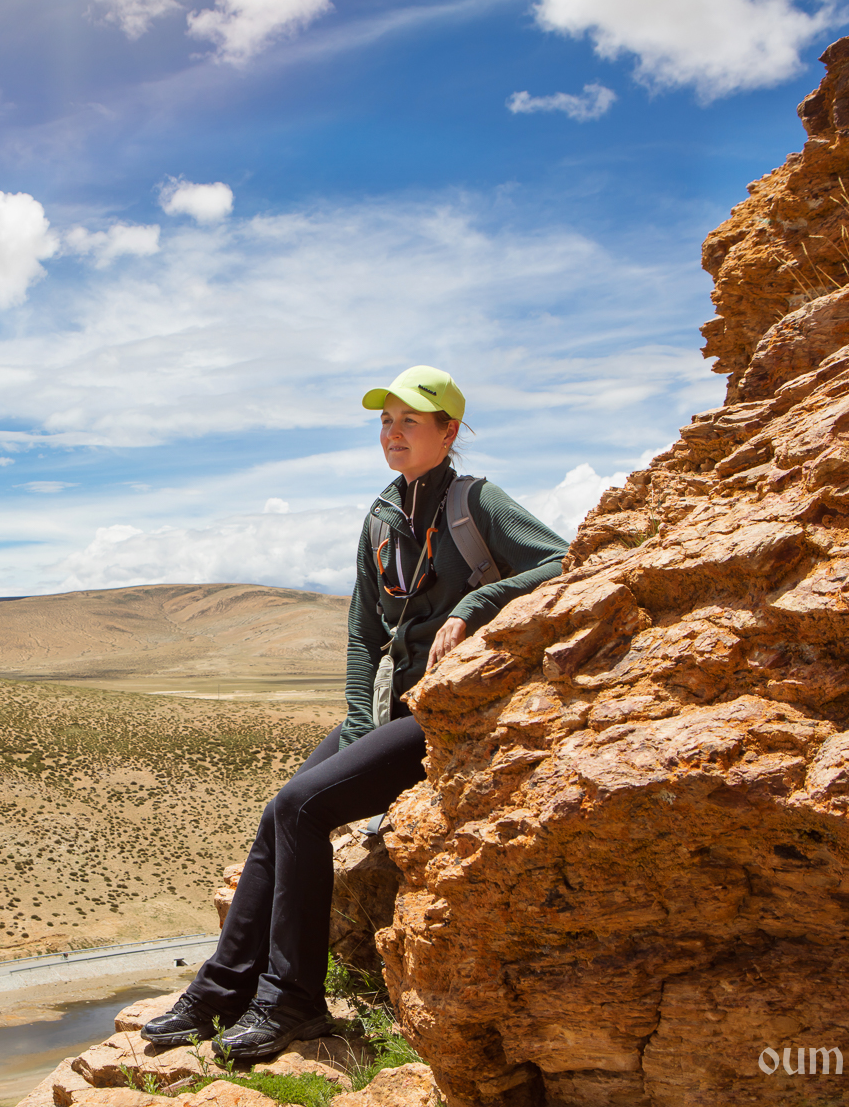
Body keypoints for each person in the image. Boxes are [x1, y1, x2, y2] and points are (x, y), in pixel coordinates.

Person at [140, 364, 568, 1061]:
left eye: (410, 421)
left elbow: (561, 560)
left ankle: (293, 1002)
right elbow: (364, 633)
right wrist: (359, 724)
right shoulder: (381, 516)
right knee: (281, 810)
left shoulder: (477, 502)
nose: (393, 433)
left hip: (445, 711)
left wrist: (475, 604)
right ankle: (219, 991)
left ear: (449, 432)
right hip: (385, 710)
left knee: (302, 809)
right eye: (386, 421)